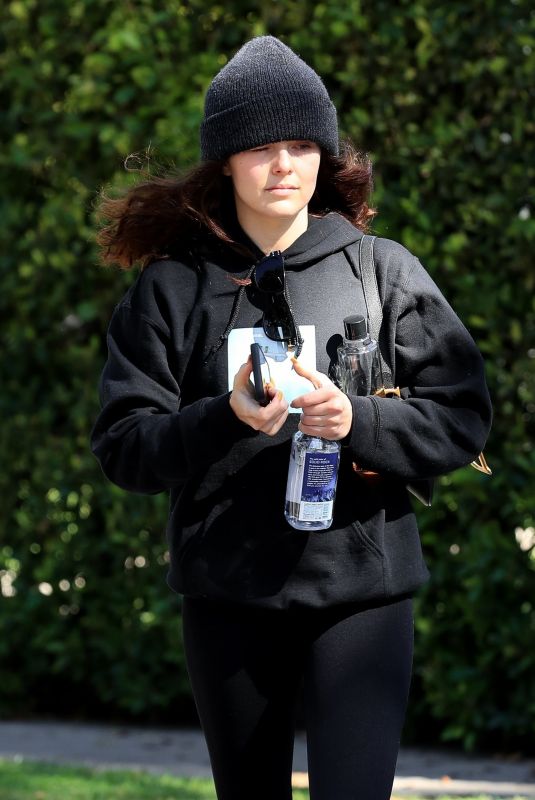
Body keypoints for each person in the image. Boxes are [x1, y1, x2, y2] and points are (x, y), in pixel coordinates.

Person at [91, 36, 492, 800]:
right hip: (227, 599)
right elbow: (123, 447)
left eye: (301, 144)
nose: (283, 165)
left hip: (363, 599)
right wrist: (223, 416)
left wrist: (357, 423)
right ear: (225, 164)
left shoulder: (384, 269)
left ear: (324, 155)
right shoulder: (171, 291)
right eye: (260, 147)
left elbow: (462, 418)